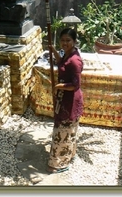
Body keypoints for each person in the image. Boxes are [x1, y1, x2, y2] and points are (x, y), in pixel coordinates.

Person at [47, 28, 84, 173]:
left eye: (68, 40)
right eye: (62, 40)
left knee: (63, 130)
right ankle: (69, 155)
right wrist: (54, 51)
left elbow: (75, 85)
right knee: (66, 129)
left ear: (74, 41)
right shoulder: (68, 54)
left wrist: (58, 86)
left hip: (71, 100)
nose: (65, 43)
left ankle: (59, 163)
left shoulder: (75, 61)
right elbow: (61, 63)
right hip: (63, 98)